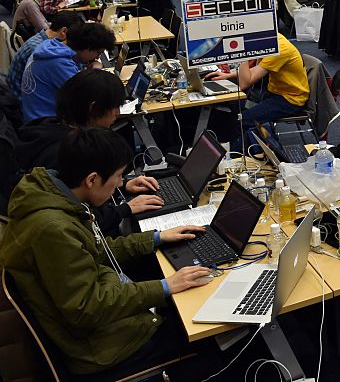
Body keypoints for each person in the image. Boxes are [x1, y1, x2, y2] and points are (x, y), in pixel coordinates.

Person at [0, 128, 216, 377]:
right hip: (102, 347)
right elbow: (88, 308)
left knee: (183, 302)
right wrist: (165, 286)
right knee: (210, 338)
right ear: (92, 179)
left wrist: (156, 238)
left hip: (105, 317)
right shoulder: (53, 229)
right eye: (118, 176)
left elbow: (94, 248)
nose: (121, 184)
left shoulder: (54, 196)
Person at [12, 70, 165, 233]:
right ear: (94, 108)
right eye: (115, 107)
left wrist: (120, 185)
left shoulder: (50, 126)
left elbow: (82, 189)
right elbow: (82, 220)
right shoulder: (66, 154)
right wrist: (125, 209)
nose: (118, 113)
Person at [207, 33, 309, 138]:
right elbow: (254, 71)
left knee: (242, 119)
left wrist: (241, 53)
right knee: (233, 106)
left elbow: (245, 83)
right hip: (274, 91)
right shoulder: (270, 38)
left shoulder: (279, 48)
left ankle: (245, 146)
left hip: (289, 100)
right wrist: (228, 75)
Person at [21, 22, 116, 122]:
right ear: (87, 48)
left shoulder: (50, 47)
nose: (97, 57)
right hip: (47, 123)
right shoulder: (59, 63)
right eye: (98, 53)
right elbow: (88, 95)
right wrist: (95, 70)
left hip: (37, 115)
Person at [8, 11, 85, 97]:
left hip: (21, 91)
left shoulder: (42, 40)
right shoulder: (41, 50)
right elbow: (69, 80)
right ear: (64, 31)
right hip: (22, 98)